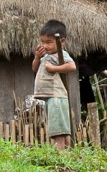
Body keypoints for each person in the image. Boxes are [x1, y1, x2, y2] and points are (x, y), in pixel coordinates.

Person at [32, 19, 76, 150]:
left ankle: (60, 155)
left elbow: (72, 66)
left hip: (56, 95)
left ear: (61, 41)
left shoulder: (61, 54)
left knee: (58, 129)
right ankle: (67, 153)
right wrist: (37, 57)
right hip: (51, 96)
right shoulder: (45, 55)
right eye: (43, 42)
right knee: (60, 126)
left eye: (49, 42)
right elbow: (34, 68)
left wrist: (54, 69)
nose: (45, 45)